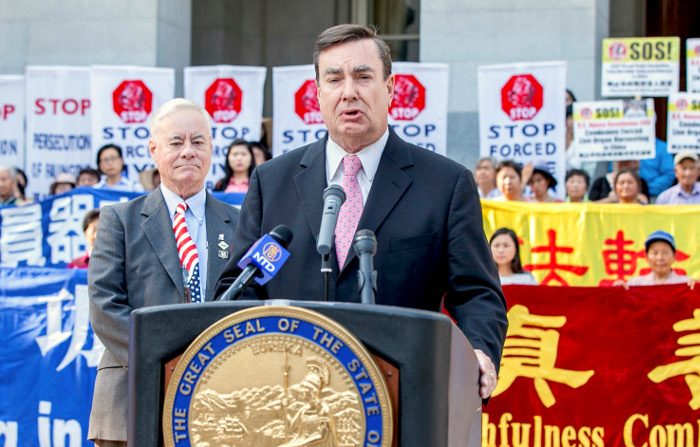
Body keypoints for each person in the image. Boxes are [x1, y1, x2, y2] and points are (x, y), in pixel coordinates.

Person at [215, 24, 507, 400]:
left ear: (389, 88)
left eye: (363, 76)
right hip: (287, 398)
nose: (349, 92)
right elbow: (241, 287)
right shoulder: (273, 181)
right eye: (334, 79)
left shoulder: (445, 185)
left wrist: (479, 351)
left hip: (401, 397)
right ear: (318, 94)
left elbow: (476, 293)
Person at [88, 99, 240, 446]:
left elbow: (249, 302)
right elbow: (103, 306)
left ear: (211, 149)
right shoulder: (119, 219)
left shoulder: (238, 222)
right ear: (154, 150)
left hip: (218, 400)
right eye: (176, 142)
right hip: (131, 396)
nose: (188, 151)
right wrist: (165, 362)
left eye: (198, 142)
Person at [616, 231, 695, 288]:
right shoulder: (635, 284)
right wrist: (617, 291)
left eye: (665, 253)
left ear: (674, 257)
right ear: (646, 257)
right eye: (655, 253)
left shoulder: (686, 283)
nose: (660, 258)